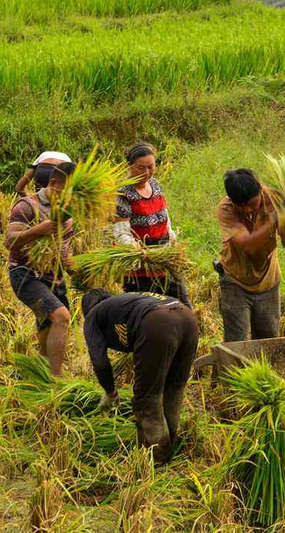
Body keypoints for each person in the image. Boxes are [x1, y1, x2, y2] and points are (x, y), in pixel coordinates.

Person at [81, 288, 199, 465]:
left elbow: (99, 361)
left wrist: (110, 392)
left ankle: (157, 458)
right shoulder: (126, 302)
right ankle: (170, 446)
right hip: (188, 319)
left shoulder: (94, 315)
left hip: (158, 323)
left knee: (147, 399)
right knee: (173, 389)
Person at [5, 162, 77, 377]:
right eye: (68, 192)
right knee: (61, 317)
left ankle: (41, 373)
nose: (70, 199)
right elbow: (9, 241)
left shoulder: (67, 214)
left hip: (53, 275)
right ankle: (57, 379)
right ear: (53, 184)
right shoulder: (27, 206)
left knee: (48, 323)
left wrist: (81, 271)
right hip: (24, 274)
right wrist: (39, 230)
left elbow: (63, 252)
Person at [215, 169, 285, 342]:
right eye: (241, 205)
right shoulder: (226, 209)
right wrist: (274, 220)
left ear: (260, 189)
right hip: (235, 281)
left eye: (252, 204)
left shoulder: (276, 201)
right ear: (232, 200)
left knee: (268, 342)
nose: (247, 210)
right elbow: (248, 244)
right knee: (236, 343)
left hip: (268, 281)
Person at [113, 143, 191, 308]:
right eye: (141, 168)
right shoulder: (123, 194)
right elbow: (121, 234)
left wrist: (172, 239)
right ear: (130, 166)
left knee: (183, 308)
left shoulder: (155, 184)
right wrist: (140, 252)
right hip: (140, 268)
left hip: (165, 262)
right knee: (148, 312)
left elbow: (164, 216)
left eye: (151, 167)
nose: (147, 173)